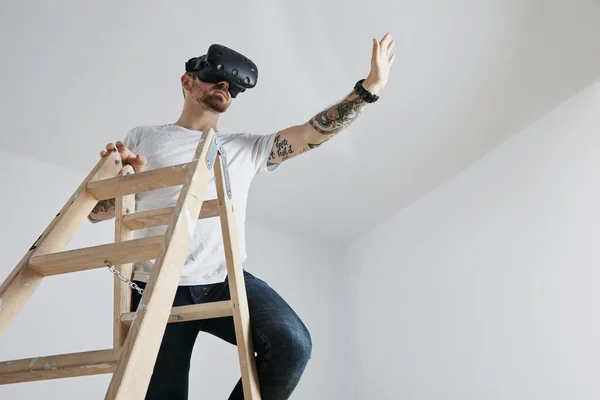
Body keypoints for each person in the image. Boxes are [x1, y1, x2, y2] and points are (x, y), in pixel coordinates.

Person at [89, 33, 395, 400]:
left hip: (224, 278)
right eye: (216, 79)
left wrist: (368, 90)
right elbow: (96, 212)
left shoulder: (246, 148)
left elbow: (312, 132)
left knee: (292, 344)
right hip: (158, 284)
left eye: (232, 87)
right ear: (187, 81)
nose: (225, 88)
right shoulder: (146, 137)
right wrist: (121, 176)